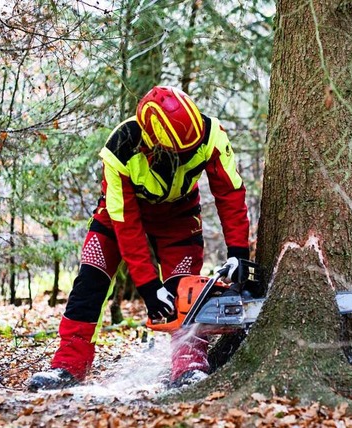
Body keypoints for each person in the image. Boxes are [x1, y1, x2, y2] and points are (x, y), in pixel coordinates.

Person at [28, 86, 250, 391]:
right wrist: (147, 287)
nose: (186, 157)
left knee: (185, 291)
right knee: (90, 280)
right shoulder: (121, 147)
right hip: (118, 215)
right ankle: (68, 365)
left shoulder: (211, 135)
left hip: (178, 215)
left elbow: (230, 193)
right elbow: (126, 223)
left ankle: (189, 366)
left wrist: (238, 252)